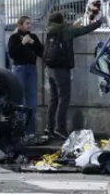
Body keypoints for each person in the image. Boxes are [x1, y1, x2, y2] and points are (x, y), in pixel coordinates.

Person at [43, 10, 103, 139]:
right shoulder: (66, 31)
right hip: (61, 70)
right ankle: (61, 129)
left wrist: (72, 25)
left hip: (50, 68)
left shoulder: (50, 30)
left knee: (53, 99)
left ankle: (49, 127)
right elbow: (84, 30)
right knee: (63, 99)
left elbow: (69, 28)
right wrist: (99, 22)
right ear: (61, 20)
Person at [8, 16, 43, 138]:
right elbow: (12, 54)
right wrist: (22, 44)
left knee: (32, 100)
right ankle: (19, 132)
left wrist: (33, 43)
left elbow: (42, 52)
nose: (29, 26)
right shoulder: (14, 38)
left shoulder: (33, 37)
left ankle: (30, 131)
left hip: (31, 68)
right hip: (19, 69)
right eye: (27, 23)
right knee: (19, 100)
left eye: (30, 23)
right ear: (20, 25)